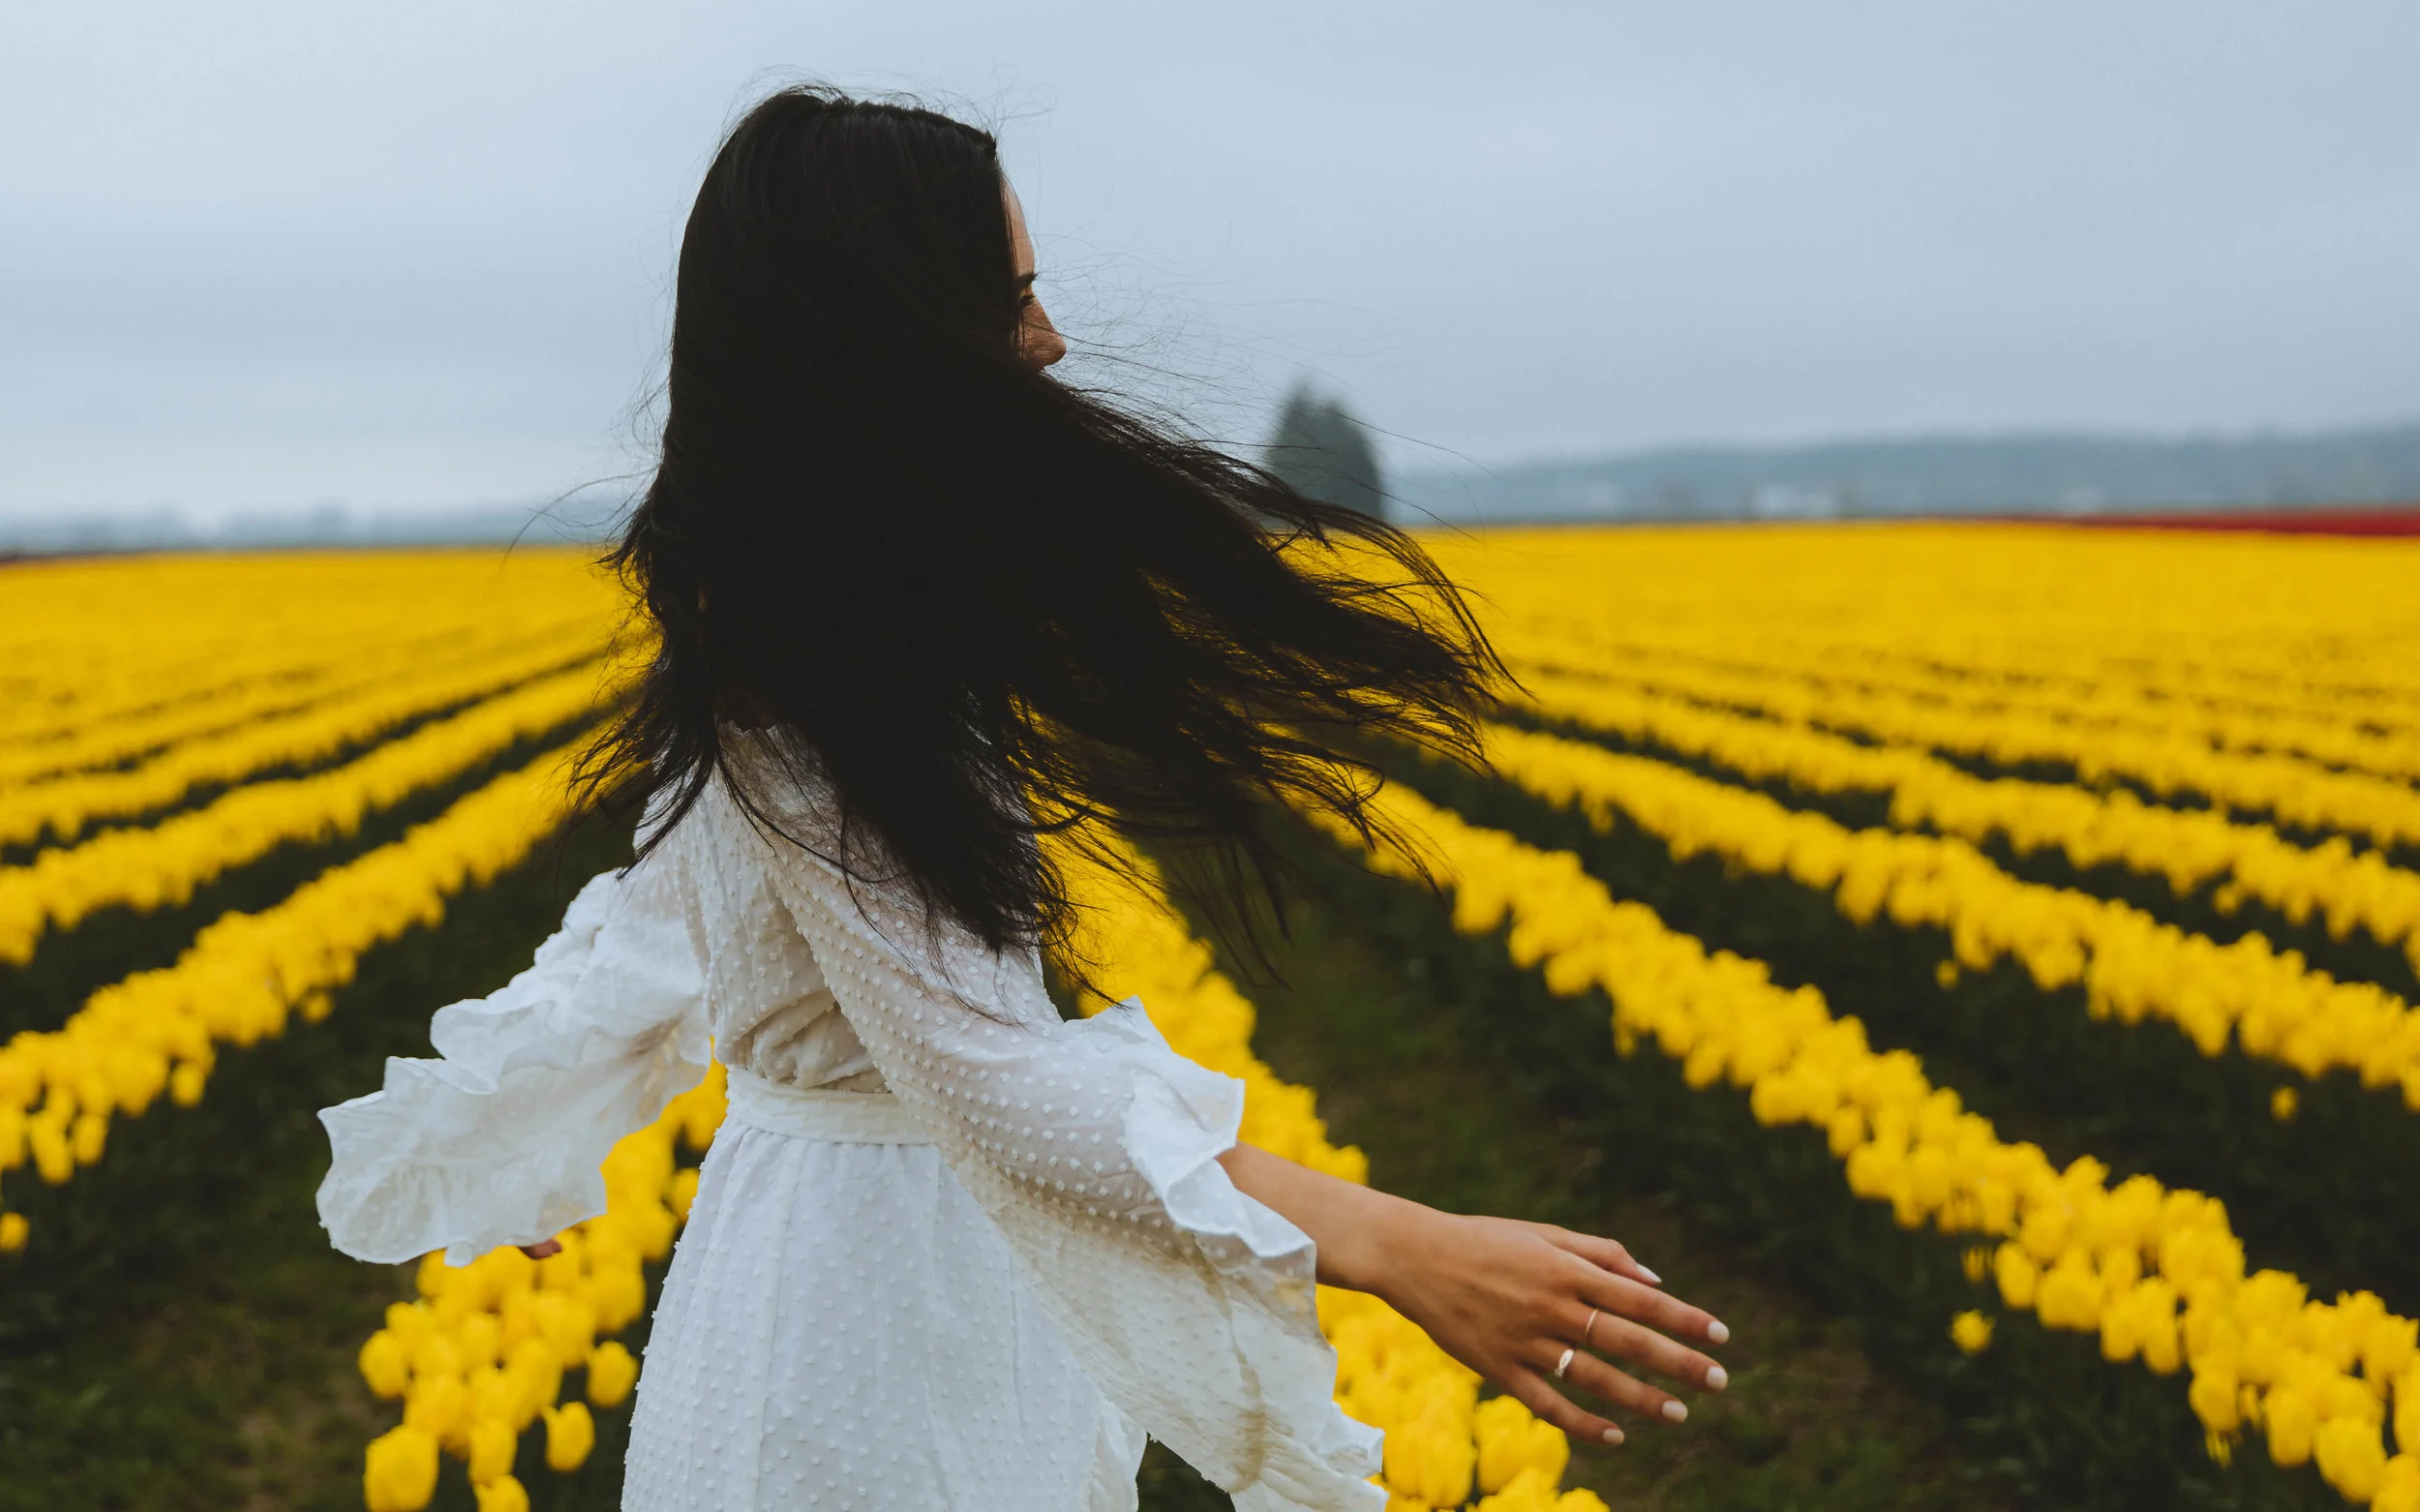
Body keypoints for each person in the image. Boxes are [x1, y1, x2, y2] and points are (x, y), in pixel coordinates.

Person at [316, 86, 1728, 1511]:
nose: (1049, 338)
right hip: (863, 1327)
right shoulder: (804, 687)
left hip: (901, 1270)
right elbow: (993, 1074)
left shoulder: (823, 637)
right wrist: (1396, 1243)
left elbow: (659, 924)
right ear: (889, 333)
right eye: (1014, 296)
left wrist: (500, 1135)